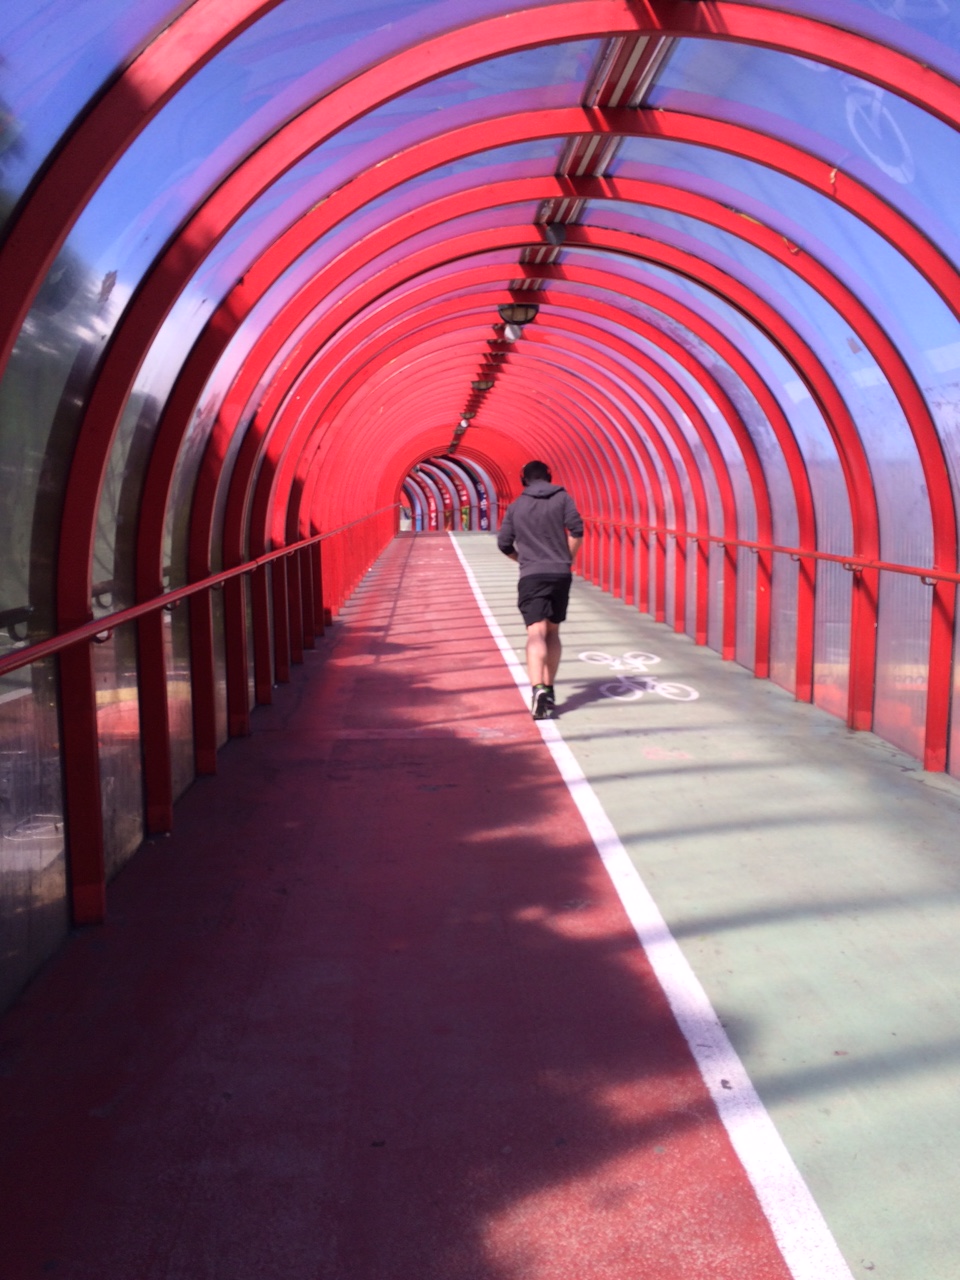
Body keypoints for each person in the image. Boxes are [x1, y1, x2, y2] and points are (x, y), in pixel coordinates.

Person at [497, 460, 583, 719]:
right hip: (560, 573)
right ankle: (550, 688)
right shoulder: (562, 498)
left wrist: (522, 560)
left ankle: (538, 689)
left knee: (536, 632)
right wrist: (567, 559)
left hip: (532, 574)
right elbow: (577, 530)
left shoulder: (516, 506)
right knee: (553, 631)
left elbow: (504, 544)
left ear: (524, 479)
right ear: (548, 476)